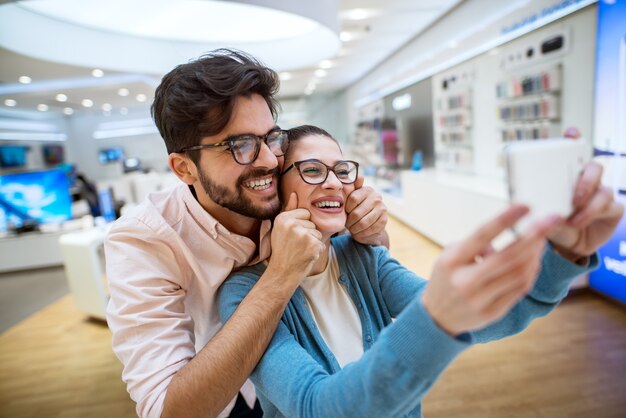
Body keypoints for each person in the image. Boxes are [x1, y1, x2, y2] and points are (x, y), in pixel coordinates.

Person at [218, 125, 624, 418]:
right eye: (311, 170)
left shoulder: (364, 259)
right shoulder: (243, 293)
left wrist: (565, 252)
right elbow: (318, 406)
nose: (333, 184)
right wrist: (437, 318)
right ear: (274, 185)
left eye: (341, 170)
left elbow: (488, 320)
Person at [104, 50, 389, 418]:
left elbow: (366, 271)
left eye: (271, 137)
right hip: (218, 402)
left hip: (305, 380)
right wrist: (281, 275)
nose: (270, 160)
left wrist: (372, 234)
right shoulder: (143, 241)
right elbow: (167, 410)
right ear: (184, 168)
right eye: (239, 146)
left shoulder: (289, 184)